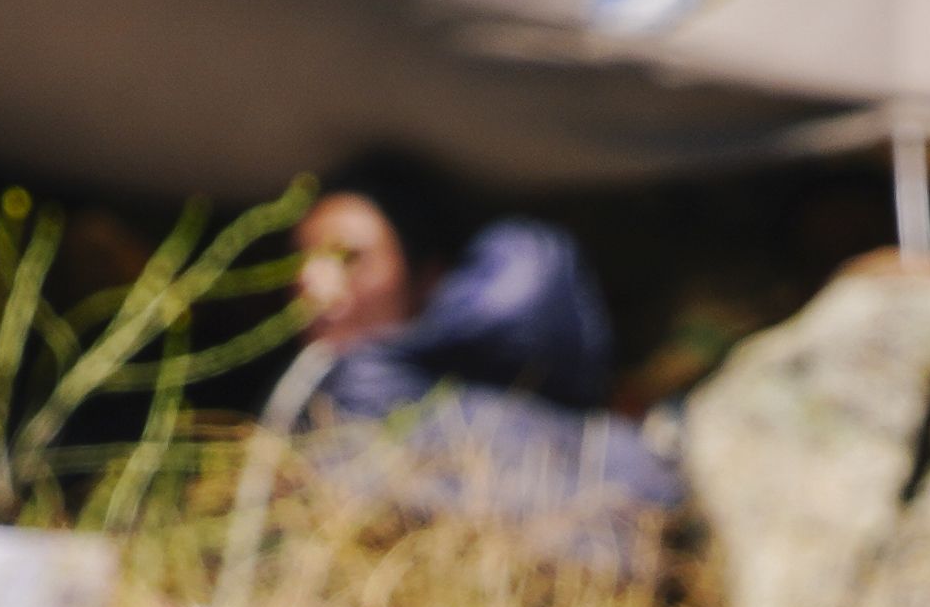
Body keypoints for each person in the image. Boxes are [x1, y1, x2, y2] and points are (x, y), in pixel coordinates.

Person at [271, 183, 679, 571]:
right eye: (299, 259)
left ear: (428, 277)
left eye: (351, 258)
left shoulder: (398, 398)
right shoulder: (307, 399)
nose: (313, 283)